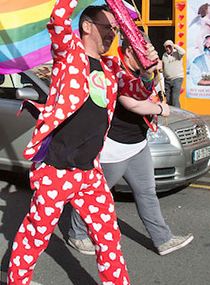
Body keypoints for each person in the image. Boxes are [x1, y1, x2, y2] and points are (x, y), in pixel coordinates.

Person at [3, 0, 164, 285]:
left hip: (89, 171)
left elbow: (137, 95)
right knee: (34, 238)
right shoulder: (70, 54)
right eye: (108, 27)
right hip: (56, 167)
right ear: (88, 26)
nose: (112, 35)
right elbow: (59, 18)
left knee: (109, 241)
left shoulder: (110, 68)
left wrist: (146, 69)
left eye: (115, 30)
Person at [66, 37, 192, 257]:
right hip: (114, 148)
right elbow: (131, 101)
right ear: (128, 52)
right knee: (93, 195)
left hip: (138, 144)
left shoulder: (142, 71)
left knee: (147, 193)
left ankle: (163, 239)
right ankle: (77, 234)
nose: (147, 55)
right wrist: (159, 108)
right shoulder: (116, 70)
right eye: (142, 51)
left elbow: (144, 92)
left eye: (148, 51)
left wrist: (150, 74)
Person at [161, 39, 185, 106]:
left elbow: (183, 52)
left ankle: (177, 115)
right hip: (167, 79)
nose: (168, 48)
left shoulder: (177, 54)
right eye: (166, 47)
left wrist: (174, 46)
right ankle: (170, 114)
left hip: (177, 78)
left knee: (175, 99)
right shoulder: (164, 55)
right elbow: (163, 66)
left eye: (169, 46)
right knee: (168, 100)